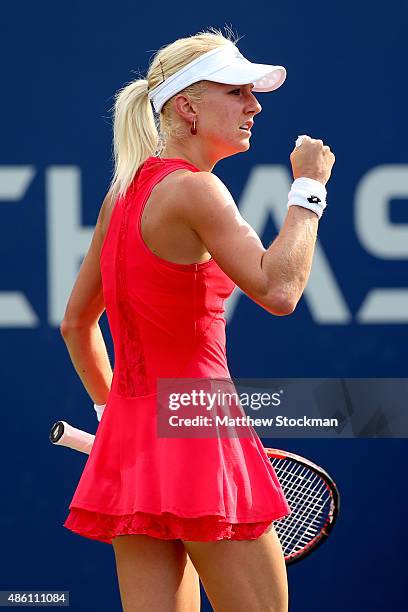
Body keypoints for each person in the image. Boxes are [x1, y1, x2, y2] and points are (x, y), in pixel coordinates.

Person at [60, 27, 335, 612]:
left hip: (134, 443)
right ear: (187, 106)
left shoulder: (122, 194)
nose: (253, 106)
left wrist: (114, 416)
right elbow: (280, 289)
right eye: (236, 91)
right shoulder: (197, 192)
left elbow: (75, 325)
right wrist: (308, 188)